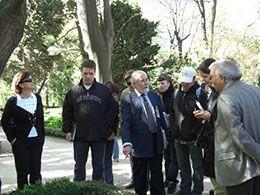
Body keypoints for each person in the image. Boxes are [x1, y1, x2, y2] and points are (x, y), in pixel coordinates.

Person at [208, 59, 260, 195]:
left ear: (221, 77)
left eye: (212, 77)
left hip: (239, 171)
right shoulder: (256, 91)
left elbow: (239, 135)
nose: (210, 81)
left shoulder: (226, 98)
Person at [62, 59, 117, 181]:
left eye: (91, 73)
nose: (88, 76)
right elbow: (67, 112)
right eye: (85, 73)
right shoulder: (73, 92)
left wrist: (106, 127)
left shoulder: (103, 90)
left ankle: (97, 190)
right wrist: (67, 130)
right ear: (81, 73)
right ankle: (79, 190)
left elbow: (112, 109)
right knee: (79, 167)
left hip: (99, 136)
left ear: (94, 73)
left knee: (99, 167)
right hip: (80, 136)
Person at [121, 70, 166, 195]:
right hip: (139, 145)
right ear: (134, 84)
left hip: (156, 142)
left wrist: (166, 138)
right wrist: (127, 143)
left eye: (147, 79)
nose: (146, 83)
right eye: (142, 81)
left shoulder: (154, 96)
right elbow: (126, 122)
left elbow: (160, 118)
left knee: (157, 177)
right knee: (140, 179)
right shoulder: (127, 99)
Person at [1, 72, 45, 190]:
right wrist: (13, 139)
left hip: (36, 142)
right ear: (20, 84)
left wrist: (42, 138)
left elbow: (41, 121)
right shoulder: (13, 102)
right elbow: (4, 122)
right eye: (28, 80)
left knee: (36, 172)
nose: (32, 81)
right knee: (22, 173)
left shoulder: (38, 98)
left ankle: (37, 192)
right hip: (21, 143)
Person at [170, 67, 207, 195]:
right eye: (183, 81)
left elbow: (204, 115)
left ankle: (197, 190)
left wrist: (195, 131)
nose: (184, 84)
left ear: (194, 80)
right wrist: (173, 128)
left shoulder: (200, 93)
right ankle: (185, 188)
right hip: (178, 137)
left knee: (197, 166)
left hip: (194, 138)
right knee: (183, 165)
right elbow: (172, 113)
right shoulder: (176, 93)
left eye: (187, 82)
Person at [193, 58, 227, 195]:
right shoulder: (213, 93)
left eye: (206, 77)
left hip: (222, 147)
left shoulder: (227, 94)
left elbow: (229, 119)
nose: (205, 80)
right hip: (211, 145)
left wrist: (210, 116)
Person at [157, 74, 179, 194]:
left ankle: (172, 180)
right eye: (159, 83)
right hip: (163, 131)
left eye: (163, 83)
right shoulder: (159, 97)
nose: (160, 86)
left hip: (173, 130)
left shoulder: (174, 95)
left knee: (173, 157)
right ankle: (168, 179)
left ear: (169, 83)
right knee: (167, 156)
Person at [120, 70, 135, 189]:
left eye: (132, 82)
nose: (131, 86)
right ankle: (134, 179)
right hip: (131, 129)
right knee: (132, 156)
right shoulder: (125, 93)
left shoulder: (145, 91)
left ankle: (147, 179)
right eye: (128, 83)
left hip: (144, 130)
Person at [104, 81, 120, 185]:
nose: (114, 96)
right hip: (99, 137)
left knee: (107, 161)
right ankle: (100, 184)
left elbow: (116, 121)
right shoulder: (101, 104)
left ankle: (110, 184)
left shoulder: (116, 105)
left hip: (110, 136)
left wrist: (113, 132)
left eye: (115, 94)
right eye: (111, 94)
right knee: (100, 162)